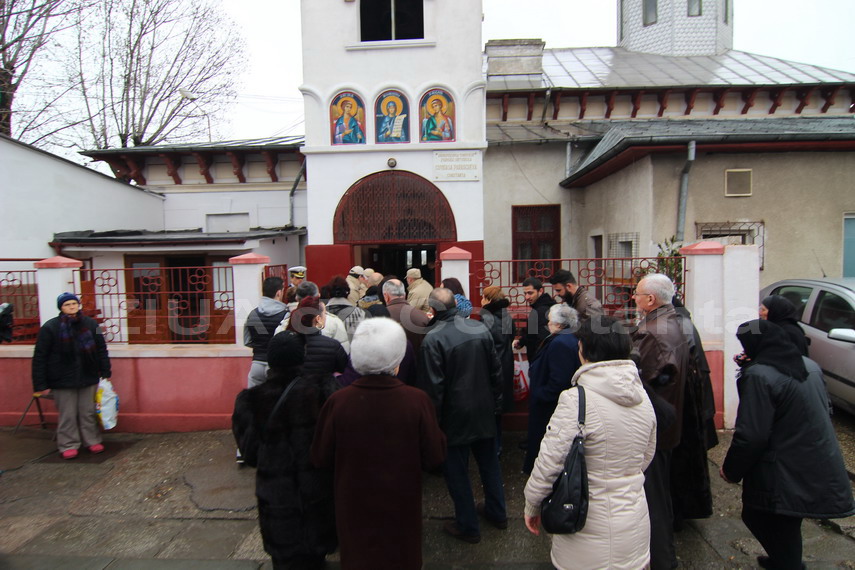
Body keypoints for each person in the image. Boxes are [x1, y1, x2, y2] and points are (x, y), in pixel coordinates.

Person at [524, 315, 657, 570]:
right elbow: (646, 454)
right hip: (634, 519)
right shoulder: (641, 393)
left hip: (585, 522)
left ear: (585, 350)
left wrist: (533, 502)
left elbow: (550, 460)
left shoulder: (576, 399)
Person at [312, 318, 446, 569]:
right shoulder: (416, 401)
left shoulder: (338, 402)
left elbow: (320, 456)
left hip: (353, 500)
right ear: (396, 362)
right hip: (401, 500)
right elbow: (435, 456)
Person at [721, 319, 855, 570]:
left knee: (759, 516)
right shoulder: (809, 365)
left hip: (783, 465)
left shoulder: (760, 375)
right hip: (814, 456)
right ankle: (783, 560)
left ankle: (788, 564)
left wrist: (731, 470)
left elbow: (752, 435)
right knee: (786, 520)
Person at [233, 331, 339, 570]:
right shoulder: (324, 390)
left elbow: (249, 455)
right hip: (317, 495)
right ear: (301, 357)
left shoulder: (249, 401)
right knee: (317, 559)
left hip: (277, 500)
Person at [419, 288, 506, 544]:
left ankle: (468, 525)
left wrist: (432, 425)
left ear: (433, 309)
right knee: (489, 464)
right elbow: (496, 373)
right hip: (483, 409)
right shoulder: (478, 328)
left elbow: (432, 389)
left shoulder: (432, 339)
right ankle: (497, 512)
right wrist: (496, 405)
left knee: (457, 472)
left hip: (453, 416)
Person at [630, 273, 690, 570]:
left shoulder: (653, 332)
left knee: (653, 499)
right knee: (659, 495)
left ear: (651, 299)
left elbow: (646, 382)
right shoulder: (672, 322)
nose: (634, 298)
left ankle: (662, 561)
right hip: (666, 425)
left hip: (653, 429)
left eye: (637, 294)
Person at [32, 292, 111, 460]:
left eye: (74, 304)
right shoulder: (50, 327)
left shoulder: (91, 324)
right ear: (61, 307)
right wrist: (41, 384)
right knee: (67, 414)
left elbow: (101, 348)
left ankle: (92, 441)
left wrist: (105, 371)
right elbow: (40, 356)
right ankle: (68, 444)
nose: (72, 307)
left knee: (88, 412)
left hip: (88, 375)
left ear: (79, 305)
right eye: (67, 305)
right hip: (62, 379)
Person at [671, 297, 718, 529]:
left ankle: (681, 512)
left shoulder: (678, 324)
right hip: (690, 397)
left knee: (685, 462)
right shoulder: (681, 320)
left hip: (687, 400)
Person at [523, 303, 583, 474]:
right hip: (550, 402)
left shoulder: (561, 343)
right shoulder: (566, 338)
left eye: (549, 321)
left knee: (544, 447)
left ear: (558, 324)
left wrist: (540, 394)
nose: (547, 324)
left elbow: (559, 380)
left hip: (549, 406)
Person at [479, 286, 516, 450]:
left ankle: (492, 447)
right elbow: (511, 336)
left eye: (483, 297)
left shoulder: (487, 319)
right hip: (505, 365)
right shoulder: (507, 317)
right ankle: (497, 445)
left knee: (489, 409)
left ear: (488, 300)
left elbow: (484, 344)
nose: (480, 300)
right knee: (498, 411)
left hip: (491, 368)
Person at [275, 281, 350, 353]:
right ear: (319, 296)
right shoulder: (335, 323)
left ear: (297, 298)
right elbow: (343, 353)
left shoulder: (285, 324)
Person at [244, 277, 289, 389]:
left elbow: (247, 341)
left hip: (257, 364)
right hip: (276, 365)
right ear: (279, 293)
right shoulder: (286, 315)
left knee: (253, 403)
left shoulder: (253, 314)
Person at [285, 297, 348, 376]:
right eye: (325, 313)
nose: (326, 317)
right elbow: (344, 370)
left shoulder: (285, 342)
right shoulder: (333, 346)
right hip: (324, 386)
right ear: (318, 319)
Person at [383, 278, 430, 353]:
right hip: (417, 363)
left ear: (386, 296)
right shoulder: (421, 316)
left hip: (391, 362)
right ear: (405, 295)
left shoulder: (381, 317)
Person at [514, 277, 555, 361]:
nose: (527, 297)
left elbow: (542, 339)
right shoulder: (540, 308)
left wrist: (537, 363)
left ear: (540, 291)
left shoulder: (541, 311)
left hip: (540, 360)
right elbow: (531, 332)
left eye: (530, 293)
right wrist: (521, 342)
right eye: (525, 293)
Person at [325, 275, 367, 342]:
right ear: (347, 292)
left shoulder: (321, 314)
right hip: (352, 350)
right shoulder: (359, 313)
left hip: (328, 351)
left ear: (329, 293)